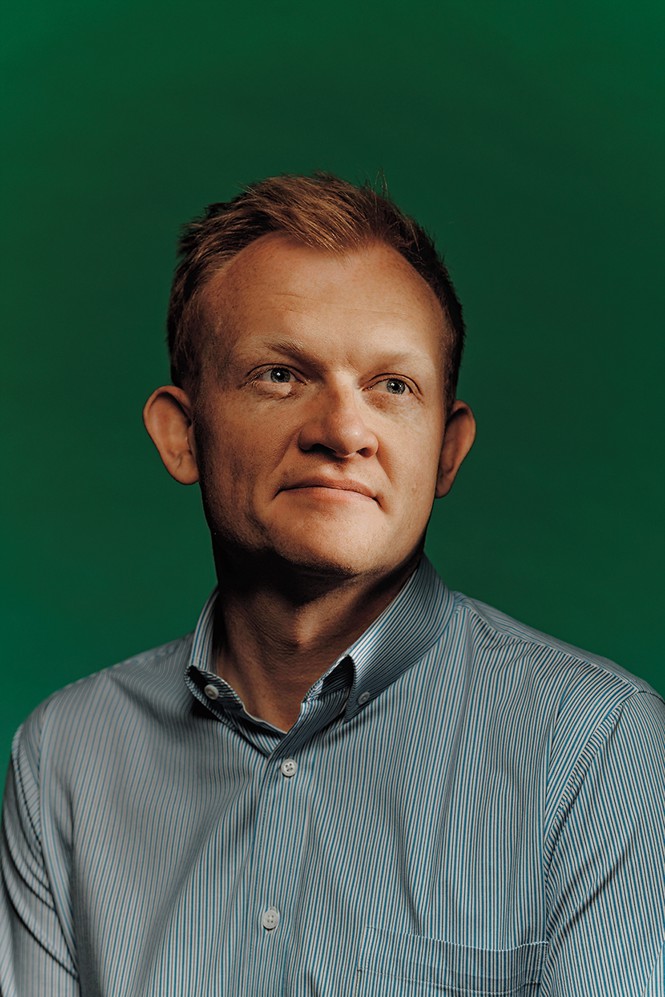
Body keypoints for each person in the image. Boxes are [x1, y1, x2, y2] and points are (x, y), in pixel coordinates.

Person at [1, 173, 663, 996]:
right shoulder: (65, 756)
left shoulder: (600, 750)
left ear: (446, 452)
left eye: (393, 387)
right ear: (181, 435)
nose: (343, 431)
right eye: (281, 374)